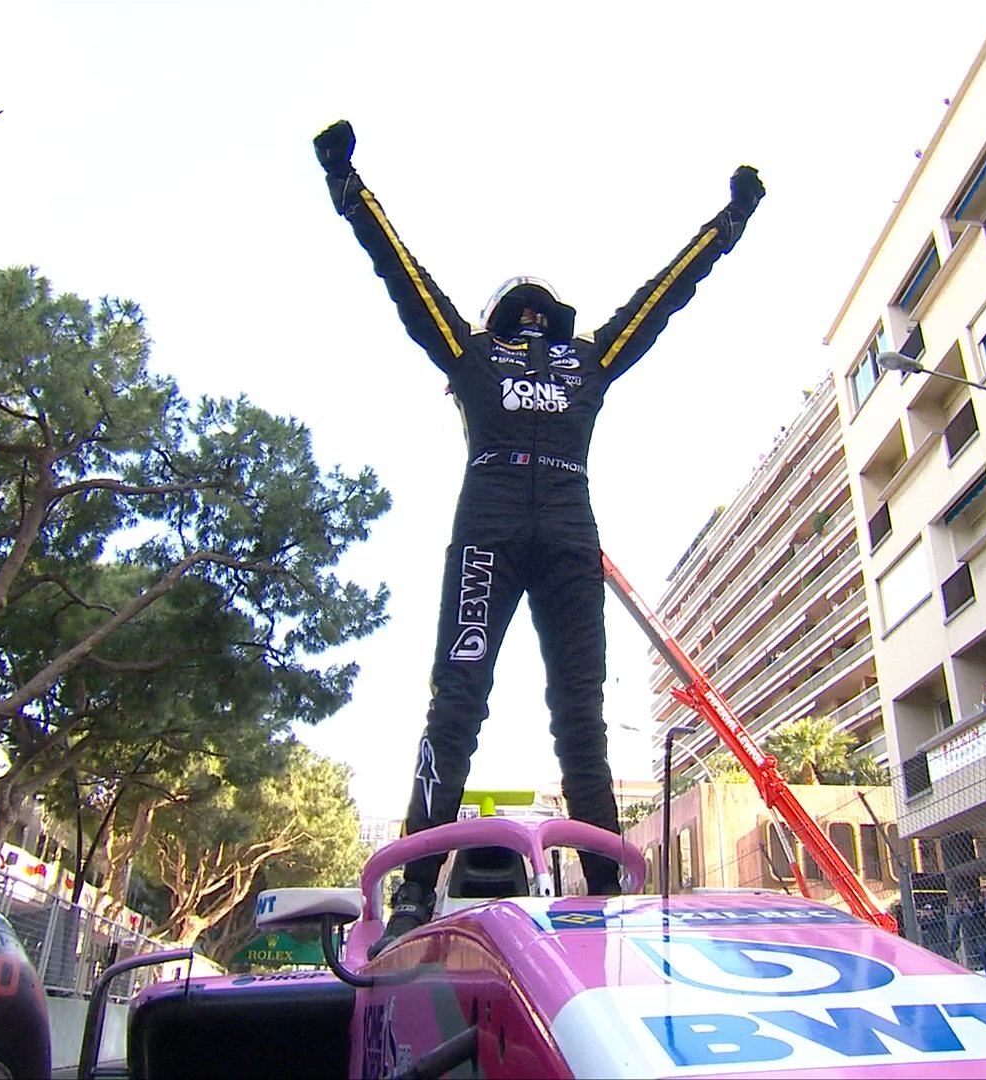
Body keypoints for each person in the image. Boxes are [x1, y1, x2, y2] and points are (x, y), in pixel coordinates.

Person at [314, 120, 764, 955]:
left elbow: (662, 298)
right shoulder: (489, 352)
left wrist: (724, 228)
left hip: (552, 528)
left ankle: (596, 899)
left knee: (574, 721)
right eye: (522, 319)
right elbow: (407, 280)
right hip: (505, 525)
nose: (528, 327)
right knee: (462, 709)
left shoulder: (570, 356)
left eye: (535, 320)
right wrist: (352, 192)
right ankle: (418, 891)